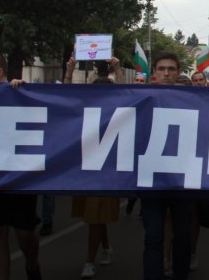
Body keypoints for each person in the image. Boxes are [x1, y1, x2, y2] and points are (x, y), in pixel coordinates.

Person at [0, 53, 45, 280]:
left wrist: (25, 91)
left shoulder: (18, 92)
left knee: (24, 233)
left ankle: (32, 264)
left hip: (20, 175)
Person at [141, 52, 193, 280]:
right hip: (151, 178)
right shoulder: (141, 98)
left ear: (178, 72)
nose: (166, 73)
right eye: (161, 69)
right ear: (154, 74)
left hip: (183, 179)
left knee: (182, 236)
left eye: (171, 69)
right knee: (153, 237)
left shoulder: (193, 99)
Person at [74, 75, 121, 278]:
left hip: (105, 171)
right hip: (86, 168)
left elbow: (130, 96)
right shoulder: (86, 109)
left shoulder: (116, 112)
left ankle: (89, 261)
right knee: (94, 216)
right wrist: (69, 70)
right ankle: (107, 246)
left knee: (94, 216)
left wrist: (118, 70)